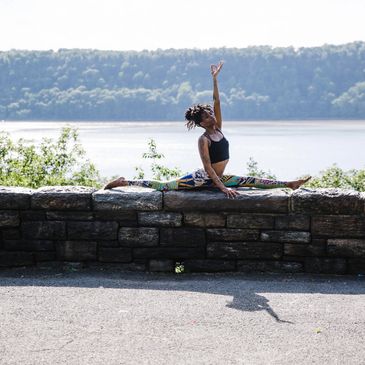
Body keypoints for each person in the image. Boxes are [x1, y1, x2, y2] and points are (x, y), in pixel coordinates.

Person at [104, 61, 311, 198]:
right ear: (202, 123)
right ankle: (124, 181)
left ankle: (289, 183)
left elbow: (217, 102)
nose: (212, 115)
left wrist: (214, 80)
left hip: (219, 178)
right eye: (207, 115)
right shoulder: (204, 139)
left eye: (211, 113)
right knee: (164, 186)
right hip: (202, 177)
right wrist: (223, 188)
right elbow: (208, 167)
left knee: (251, 181)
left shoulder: (218, 129)